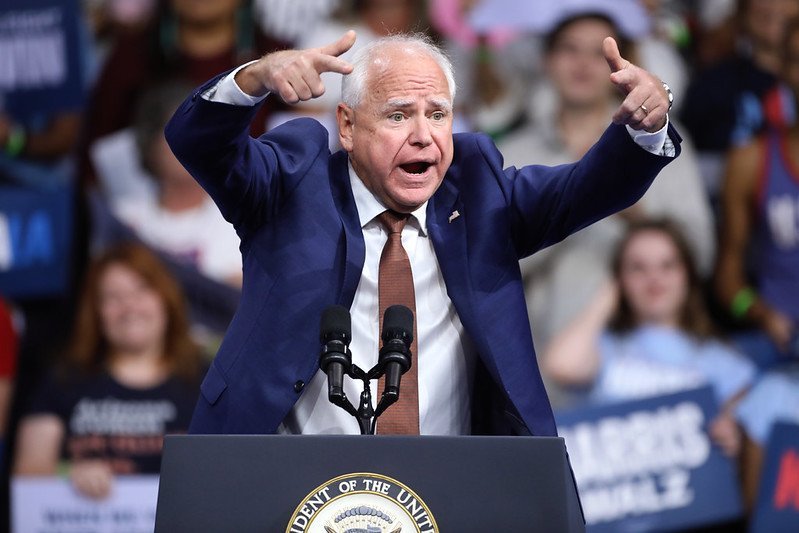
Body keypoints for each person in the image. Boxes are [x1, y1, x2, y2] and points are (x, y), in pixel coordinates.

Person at [165, 29, 679, 437]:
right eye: (398, 115)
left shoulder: (479, 191)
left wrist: (645, 125)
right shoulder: (291, 183)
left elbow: (586, 190)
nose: (423, 135)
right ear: (346, 126)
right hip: (286, 482)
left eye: (437, 115)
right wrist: (255, 77)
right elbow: (199, 144)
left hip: (448, 486)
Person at [498, 8, 714, 355]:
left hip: (651, 358)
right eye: (570, 49)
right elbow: (487, 267)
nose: (583, 63)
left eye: (599, 53)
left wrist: (630, 207)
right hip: (540, 355)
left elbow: (701, 254)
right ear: (546, 61)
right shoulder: (509, 155)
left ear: (622, 65)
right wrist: (573, 201)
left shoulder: (656, 141)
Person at [543, 220, 756, 456]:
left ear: (688, 275)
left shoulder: (722, 360)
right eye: (638, 268)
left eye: (667, 266)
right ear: (619, 280)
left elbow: (748, 437)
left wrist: (733, 438)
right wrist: (607, 297)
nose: (654, 278)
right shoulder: (605, 347)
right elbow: (561, 365)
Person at [12, 243, 203, 499]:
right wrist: (69, 474)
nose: (129, 307)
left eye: (141, 291)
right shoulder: (65, 379)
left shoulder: (206, 381)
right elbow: (28, 472)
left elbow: (227, 474)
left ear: (166, 298)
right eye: (112, 297)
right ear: (96, 312)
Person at [715, 16, 799, 369]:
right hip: (780, 343)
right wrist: (759, 312)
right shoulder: (750, 160)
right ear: (782, 69)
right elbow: (727, 283)